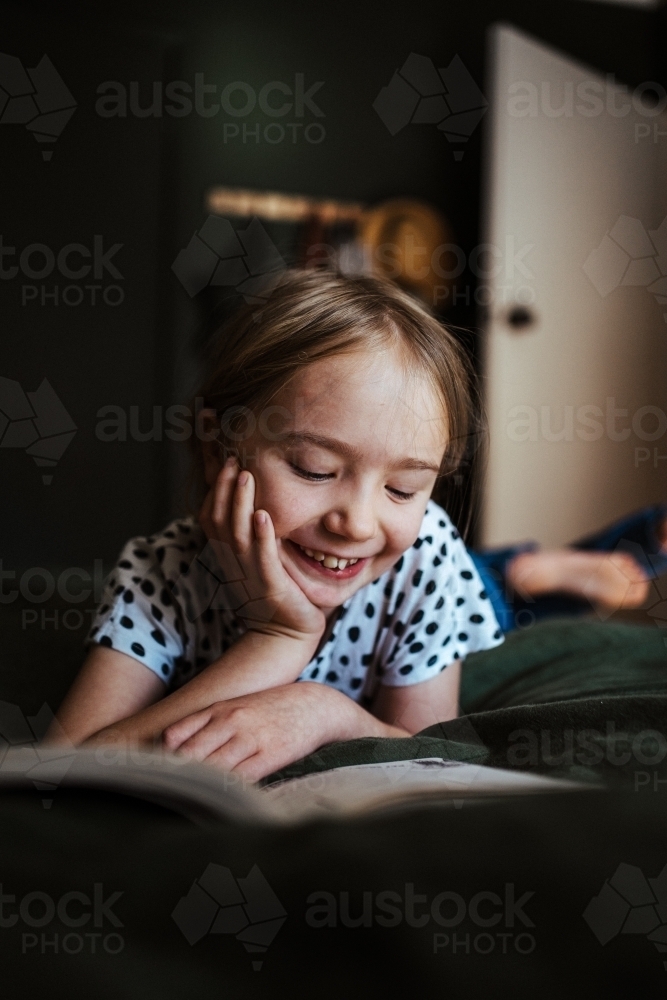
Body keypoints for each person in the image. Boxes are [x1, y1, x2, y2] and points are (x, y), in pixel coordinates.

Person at [49, 269, 504, 778]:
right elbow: (66, 767)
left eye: (402, 489)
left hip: (455, 577)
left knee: (504, 584)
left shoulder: (425, 552)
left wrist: (325, 712)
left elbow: (432, 754)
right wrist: (278, 637)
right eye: (315, 470)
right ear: (215, 447)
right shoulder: (163, 572)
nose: (356, 524)